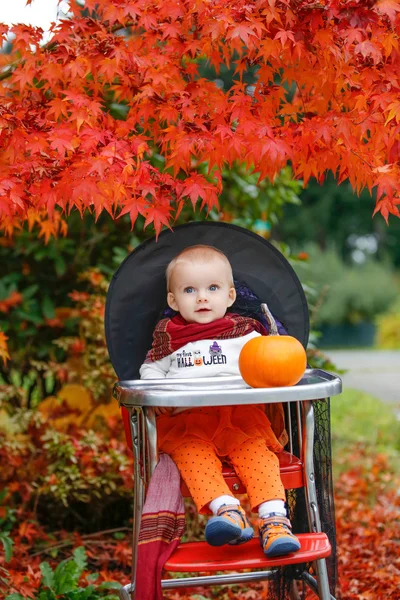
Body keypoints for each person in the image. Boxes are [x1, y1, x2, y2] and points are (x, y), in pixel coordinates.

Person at [139, 245, 300, 557]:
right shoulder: (168, 338)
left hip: (240, 419)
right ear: (173, 300)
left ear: (229, 296)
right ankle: (227, 511)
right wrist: (154, 392)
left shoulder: (247, 335)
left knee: (259, 457)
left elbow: (275, 364)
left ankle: (274, 519)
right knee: (190, 454)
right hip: (189, 423)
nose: (202, 297)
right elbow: (149, 369)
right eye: (190, 290)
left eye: (212, 288)